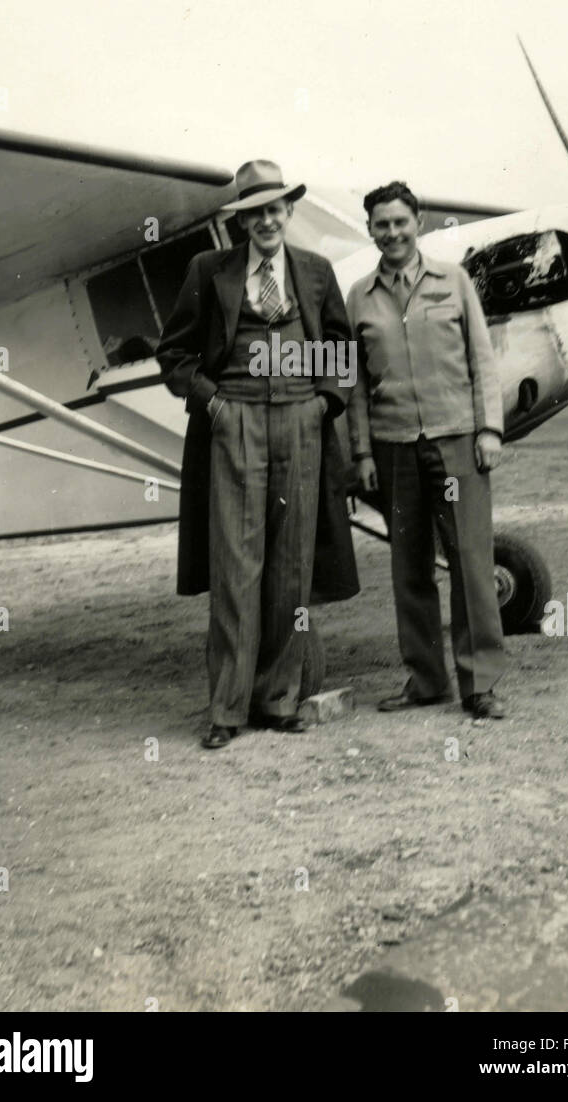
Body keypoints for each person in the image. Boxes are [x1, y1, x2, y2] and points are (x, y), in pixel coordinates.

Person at [157, 159, 358, 749]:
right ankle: (226, 709)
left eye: (275, 209)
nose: (267, 220)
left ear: (289, 212)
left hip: (301, 423)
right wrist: (213, 404)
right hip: (234, 421)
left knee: (291, 566)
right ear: (242, 221)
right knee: (235, 566)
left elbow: (341, 350)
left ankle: (278, 699)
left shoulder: (316, 273)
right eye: (255, 212)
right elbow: (174, 354)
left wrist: (324, 403)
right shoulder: (207, 270)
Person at [346, 180, 506, 719]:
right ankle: (426, 679)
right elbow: (356, 386)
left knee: (469, 561)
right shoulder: (359, 297)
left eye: (400, 222)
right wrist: (362, 452)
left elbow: (483, 361)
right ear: (370, 230)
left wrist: (490, 430)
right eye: (381, 225)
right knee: (409, 569)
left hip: (458, 441)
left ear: (419, 222)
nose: (392, 233)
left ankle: (479, 684)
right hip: (394, 451)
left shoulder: (454, 281)